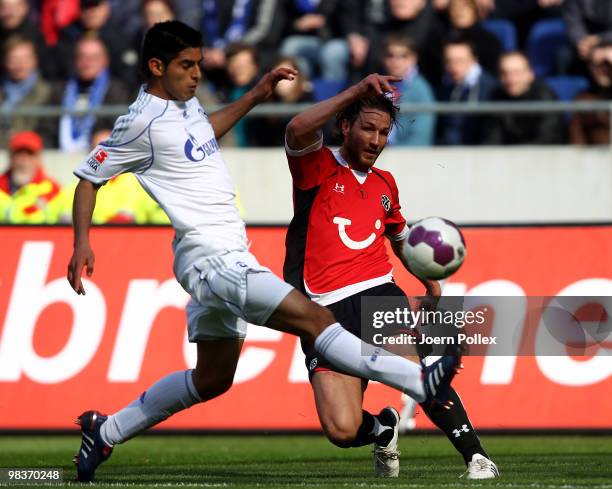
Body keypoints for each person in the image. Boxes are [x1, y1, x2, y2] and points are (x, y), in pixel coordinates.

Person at [67, 20, 462, 483]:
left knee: (212, 379)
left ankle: (106, 429)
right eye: (186, 65)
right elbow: (89, 177)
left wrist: (255, 95)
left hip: (215, 260)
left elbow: (200, 135)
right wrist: (81, 243)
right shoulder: (139, 123)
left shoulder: (181, 106)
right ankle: (419, 382)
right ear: (156, 66)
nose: (196, 74)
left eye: (198, 62)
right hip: (214, 260)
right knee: (317, 320)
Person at [283, 77, 499, 480]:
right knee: (342, 429)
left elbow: (400, 238)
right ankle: (383, 427)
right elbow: (296, 129)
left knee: (416, 372)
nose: (376, 140)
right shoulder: (317, 168)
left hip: (375, 292)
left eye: (383, 132)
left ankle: (476, 457)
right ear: (345, 126)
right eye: (368, 128)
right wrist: (356, 92)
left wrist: (431, 284)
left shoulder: (386, 185)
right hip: (319, 311)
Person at [41, 36, 129, 151]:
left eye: (94, 58)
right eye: (82, 57)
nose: (87, 62)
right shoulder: (59, 90)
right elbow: (47, 128)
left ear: (105, 60)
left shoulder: (118, 91)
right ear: (75, 60)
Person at [484, 51, 564, 144]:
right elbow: (492, 139)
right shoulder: (496, 97)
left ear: (530, 74)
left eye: (516, 73)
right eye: (504, 73)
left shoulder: (545, 98)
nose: (511, 79)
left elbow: (548, 138)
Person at [437, 38, 497, 145]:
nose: (453, 66)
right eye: (449, 61)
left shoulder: (490, 88)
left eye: (460, 60)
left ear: (473, 60)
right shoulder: (446, 85)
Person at [381, 35, 436, 146]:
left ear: (413, 58)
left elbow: (421, 138)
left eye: (403, 56)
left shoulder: (421, 90)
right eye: (390, 55)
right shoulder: (377, 86)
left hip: (407, 157)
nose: (395, 61)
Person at [0, 36, 51, 147]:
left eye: (25, 58)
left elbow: (46, 133)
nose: (20, 64)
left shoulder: (47, 93)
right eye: (14, 59)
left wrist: (18, 139)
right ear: (5, 62)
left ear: (34, 60)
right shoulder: (2, 91)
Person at [0, 131, 61, 224]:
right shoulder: (1, 188)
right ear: (10, 157)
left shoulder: (53, 190)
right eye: (18, 153)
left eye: (29, 154)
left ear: (38, 158)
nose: (24, 160)